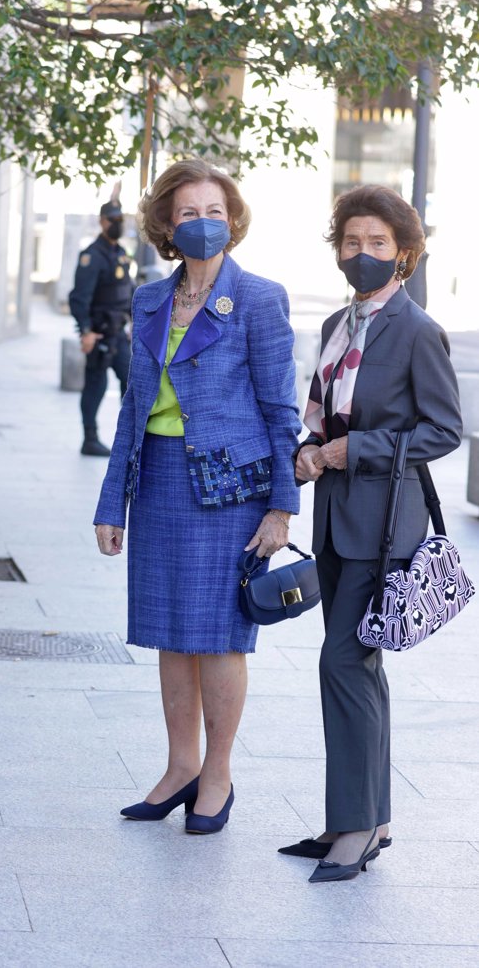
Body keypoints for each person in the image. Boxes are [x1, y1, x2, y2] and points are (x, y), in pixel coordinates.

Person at [94, 158, 301, 834]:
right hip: (157, 480)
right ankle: (180, 765)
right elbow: (133, 405)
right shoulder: (150, 299)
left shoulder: (259, 298)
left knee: (218, 636)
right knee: (169, 633)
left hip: (230, 490)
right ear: (166, 223)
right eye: (189, 212)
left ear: (232, 220)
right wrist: (111, 502)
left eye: (215, 211)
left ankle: (217, 773)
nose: (204, 222)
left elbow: (280, 410)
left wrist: (281, 507)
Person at [280, 185, 462, 881]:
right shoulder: (338, 324)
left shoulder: (416, 330)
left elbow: (443, 430)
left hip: (385, 525)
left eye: (378, 243)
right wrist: (309, 452)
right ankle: (366, 818)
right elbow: (325, 414)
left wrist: (353, 451)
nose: (363, 253)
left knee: (343, 663)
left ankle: (354, 827)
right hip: (335, 518)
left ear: (404, 253)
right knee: (361, 668)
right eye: (352, 242)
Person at [69, 198, 134, 456]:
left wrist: (134, 320)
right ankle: (90, 438)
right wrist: (85, 330)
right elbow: (79, 297)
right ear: (102, 221)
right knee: (96, 385)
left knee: (130, 380)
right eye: (113, 220)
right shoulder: (92, 256)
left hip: (118, 331)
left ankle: (130, 437)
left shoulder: (120, 253)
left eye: (121, 220)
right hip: (98, 332)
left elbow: (127, 290)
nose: (118, 224)